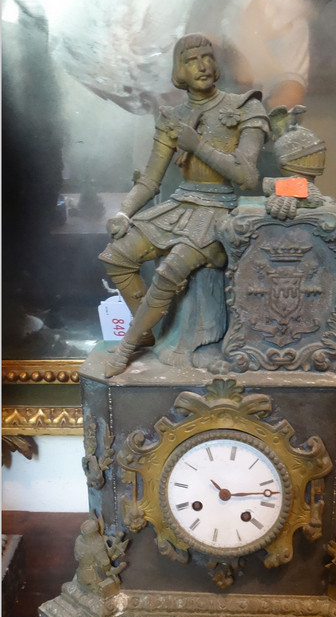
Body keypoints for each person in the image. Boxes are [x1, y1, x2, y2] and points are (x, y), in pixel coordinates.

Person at [99, 33, 270, 377]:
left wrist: (199, 146)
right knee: (117, 256)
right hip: (180, 205)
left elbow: (247, 176)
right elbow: (150, 180)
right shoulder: (172, 117)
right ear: (179, 70)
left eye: (208, 57)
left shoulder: (244, 107)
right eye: (192, 60)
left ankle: (126, 348)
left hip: (219, 211)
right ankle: (145, 333)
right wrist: (123, 213)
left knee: (169, 272)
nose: (202, 66)